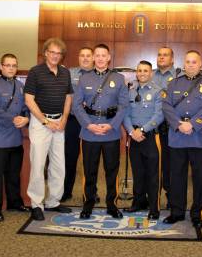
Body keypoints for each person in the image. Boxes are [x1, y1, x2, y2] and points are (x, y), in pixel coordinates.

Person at [72, 43, 129, 219]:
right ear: (93, 57)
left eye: (104, 55)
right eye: (97, 55)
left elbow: (124, 105)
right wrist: (88, 125)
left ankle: (112, 204)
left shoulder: (118, 78)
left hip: (110, 131)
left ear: (109, 57)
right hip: (89, 131)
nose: (100, 58)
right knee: (89, 171)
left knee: (112, 170)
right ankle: (88, 204)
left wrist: (111, 125)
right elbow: (76, 105)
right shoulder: (84, 78)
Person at [162, 50, 202, 228]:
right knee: (176, 176)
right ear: (183, 64)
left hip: (198, 136)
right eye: (188, 62)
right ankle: (177, 212)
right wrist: (178, 124)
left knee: (199, 177)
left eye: (194, 62)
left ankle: (197, 214)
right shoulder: (173, 83)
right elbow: (166, 105)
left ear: (200, 64)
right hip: (178, 135)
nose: (191, 65)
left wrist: (192, 124)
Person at [25, 37, 74, 221]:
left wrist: (63, 120)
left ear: (62, 56)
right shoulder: (35, 72)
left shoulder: (65, 72)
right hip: (41, 124)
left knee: (58, 164)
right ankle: (36, 204)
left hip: (59, 123)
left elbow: (68, 97)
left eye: (58, 53)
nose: (55, 56)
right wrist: (46, 122)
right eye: (51, 52)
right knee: (38, 164)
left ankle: (53, 201)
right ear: (45, 53)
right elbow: (29, 100)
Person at [0, 53, 30, 222]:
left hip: (16, 138)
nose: (11, 68)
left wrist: (26, 118)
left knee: (13, 174)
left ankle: (14, 202)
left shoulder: (20, 86)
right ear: (1, 67)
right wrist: (14, 119)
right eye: (8, 65)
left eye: (14, 65)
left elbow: (27, 108)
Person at [123, 60, 164, 220]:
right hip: (134, 136)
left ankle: (154, 207)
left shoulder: (158, 91)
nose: (142, 73)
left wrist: (142, 130)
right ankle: (138, 202)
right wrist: (131, 131)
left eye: (145, 71)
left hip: (151, 137)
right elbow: (124, 113)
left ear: (151, 73)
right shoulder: (130, 90)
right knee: (138, 172)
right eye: (139, 70)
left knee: (153, 174)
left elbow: (159, 115)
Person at [62, 46, 94, 202]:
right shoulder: (69, 73)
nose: (85, 58)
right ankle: (66, 191)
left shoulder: (99, 75)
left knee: (90, 159)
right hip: (73, 121)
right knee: (69, 157)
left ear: (93, 58)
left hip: (92, 122)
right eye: (82, 55)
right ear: (78, 57)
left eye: (88, 55)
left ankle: (90, 193)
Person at [152, 47, 180, 207]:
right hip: (153, 125)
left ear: (172, 59)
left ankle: (171, 197)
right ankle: (152, 196)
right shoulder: (150, 75)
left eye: (165, 55)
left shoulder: (179, 76)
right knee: (152, 163)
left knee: (171, 164)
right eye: (159, 55)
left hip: (171, 126)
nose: (161, 58)